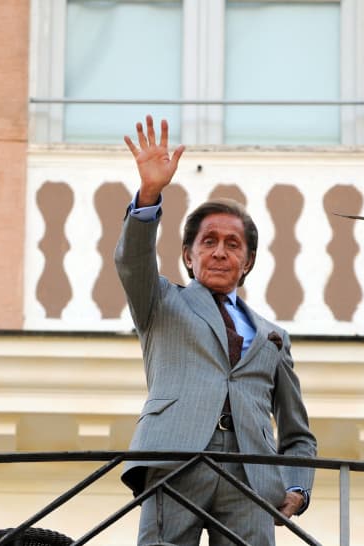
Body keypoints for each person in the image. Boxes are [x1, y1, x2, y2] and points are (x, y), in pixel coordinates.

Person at [115, 115, 317, 546]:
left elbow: (297, 431)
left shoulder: (274, 337)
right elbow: (132, 262)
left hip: (251, 474)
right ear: (188, 256)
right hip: (176, 460)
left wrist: (298, 487)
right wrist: (150, 194)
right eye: (208, 242)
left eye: (232, 244)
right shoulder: (161, 302)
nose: (220, 252)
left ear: (247, 262)